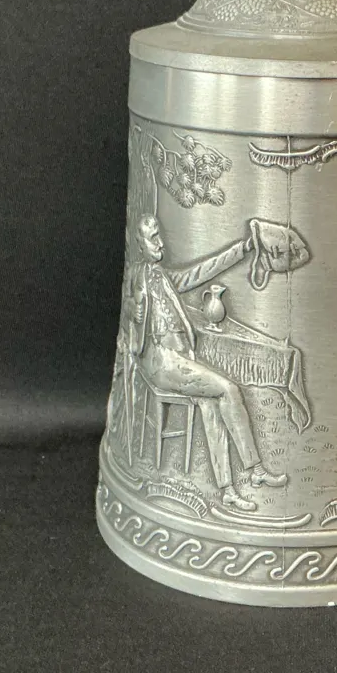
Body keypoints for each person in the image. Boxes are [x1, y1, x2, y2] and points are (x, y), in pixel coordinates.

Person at [125, 214, 287, 511]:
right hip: (162, 362)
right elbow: (131, 311)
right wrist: (133, 311)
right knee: (228, 389)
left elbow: (201, 271)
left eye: (159, 235)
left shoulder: (163, 277)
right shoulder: (139, 275)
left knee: (212, 403)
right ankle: (255, 469)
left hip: (179, 358)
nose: (160, 243)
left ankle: (227, 489)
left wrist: (243, 248)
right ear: (139, 243)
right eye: (153, 238)